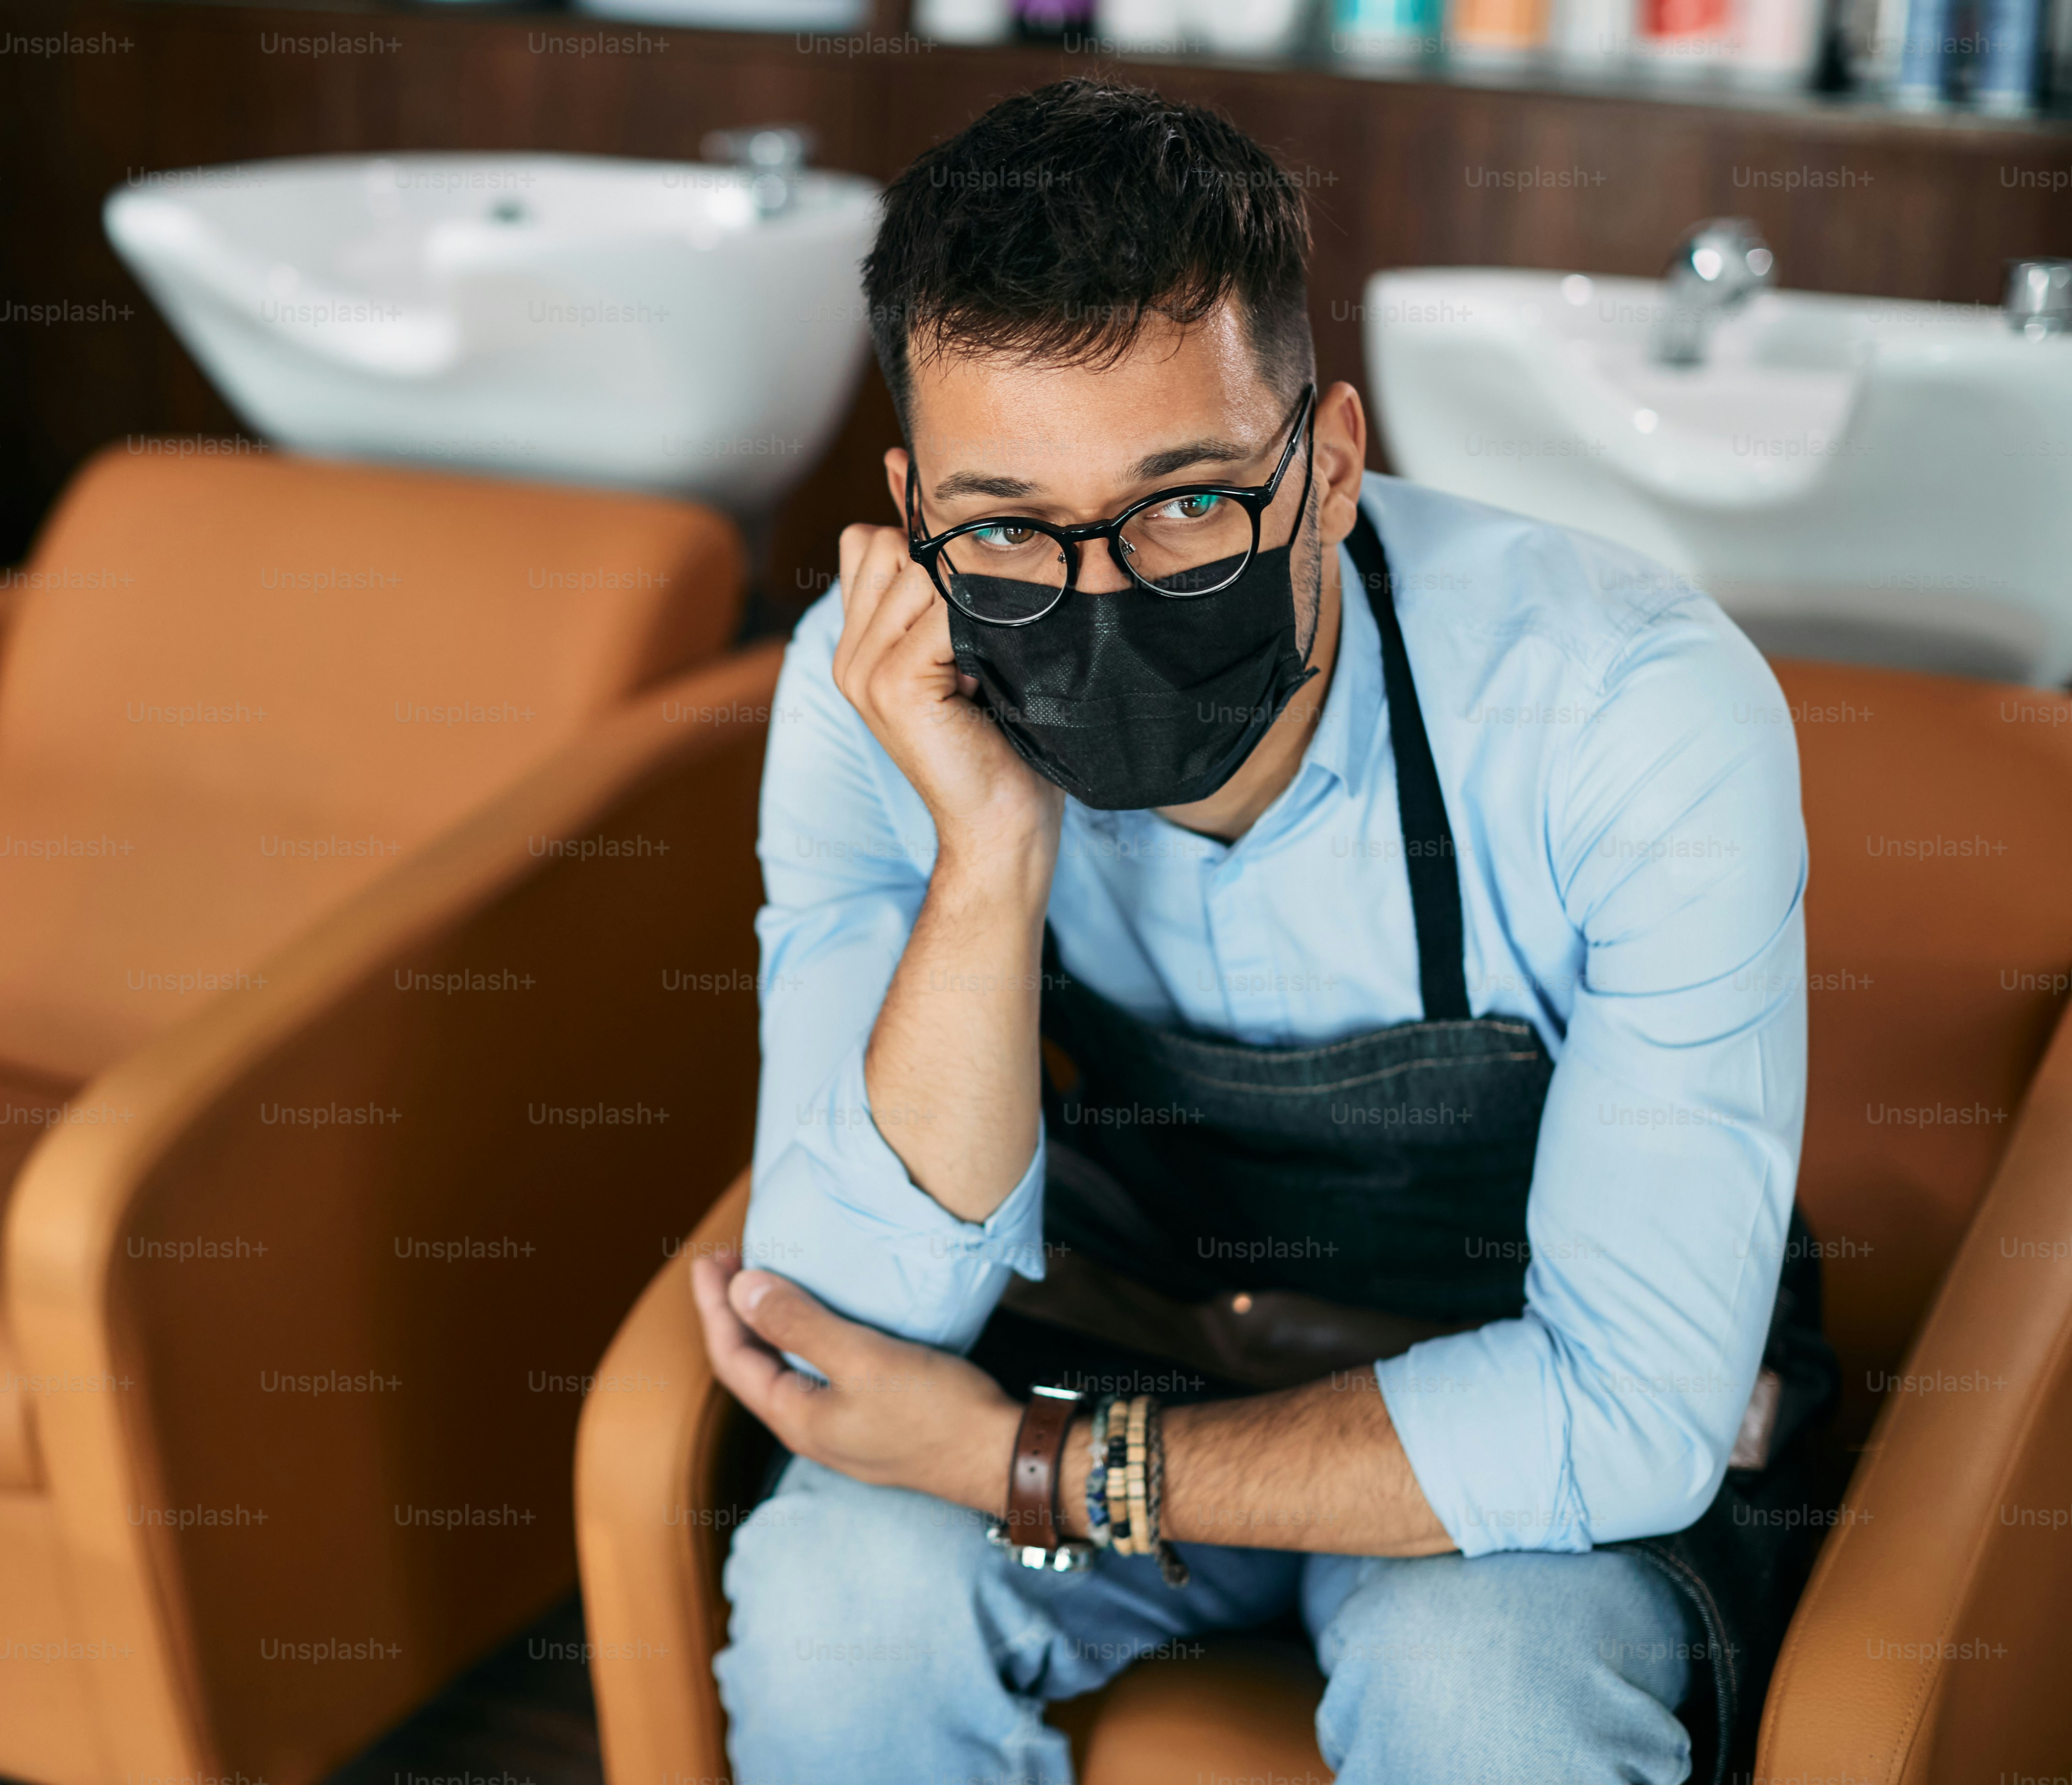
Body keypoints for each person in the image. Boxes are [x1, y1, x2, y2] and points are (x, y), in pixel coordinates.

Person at [692, 79, 1834, 1785]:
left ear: (1334, 463)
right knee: (834, 1616)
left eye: (1187, 502)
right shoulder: (873, 696)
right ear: (915, 509)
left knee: (1483, 1702)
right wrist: (990, 852)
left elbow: (1627, 1411)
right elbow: (850, 1324)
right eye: (1006, 525)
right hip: (1126, 1336)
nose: (1100, 592)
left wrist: (1033, 1466)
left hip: (1508, 1421)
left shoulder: (1627, 711)